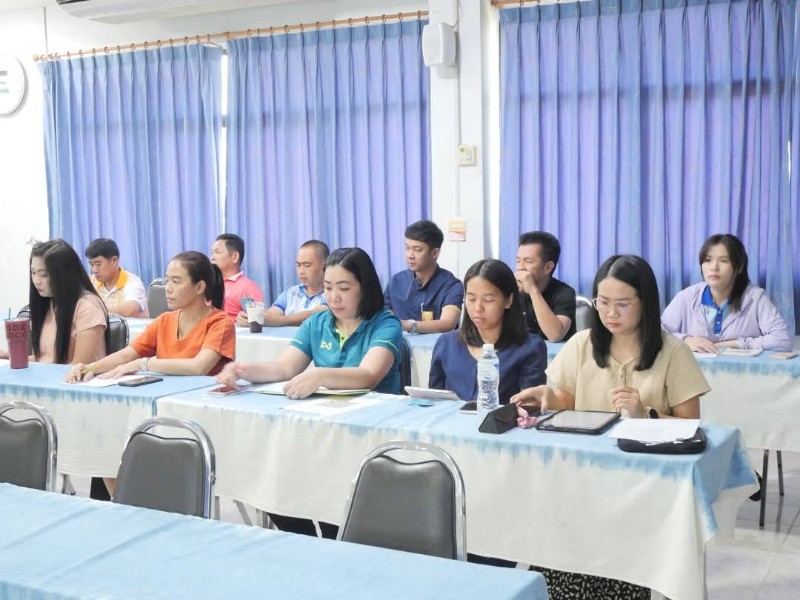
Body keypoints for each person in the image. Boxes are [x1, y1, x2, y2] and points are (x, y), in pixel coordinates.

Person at [513, 255, 710, 599]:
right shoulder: (582, 343)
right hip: (581, 479)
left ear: (645, 303)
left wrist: (644, 414)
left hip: (641, 486)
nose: (610, 313)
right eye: (602, 302)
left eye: (622, 304)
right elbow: (565, 399)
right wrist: (547, 396)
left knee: (619, 571)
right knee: (561, 564)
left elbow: (690, 425)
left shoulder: (673, 352)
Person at [216, 247, 403, 540]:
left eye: (344, 288)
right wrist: (243, 370)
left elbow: (369, 375)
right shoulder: (318, 322)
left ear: (365, 288)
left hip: (366, 433)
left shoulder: (385, 324)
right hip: (323, 428)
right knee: (277, 479)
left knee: (335, 512)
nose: (334, 297)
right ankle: (304, 539)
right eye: (328, 288)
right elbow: (284, 367)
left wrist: (320, 375)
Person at [67, 251, 235, 381]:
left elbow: (198, 367)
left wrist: (144, 364)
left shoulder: (220, 323)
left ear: (199, 287)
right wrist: (89, 368)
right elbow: (126, 355)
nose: (168, 288)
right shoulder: (165, 320)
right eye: (167, 280)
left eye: (176, 281)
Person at [429, 259, 547, 404]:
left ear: (508, 300)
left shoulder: (530, 347)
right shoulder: (446, 343)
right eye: (471, 299)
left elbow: (530, 406)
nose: (478, 308)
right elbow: (434, 400)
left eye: (488, 300)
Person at [661, 233, 792, 352]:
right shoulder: (687, 297)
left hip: (742, 370)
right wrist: (686, 340)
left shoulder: (756, 298)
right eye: (708, 260)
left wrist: (737, 343)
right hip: (694, 370)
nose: (714, 267)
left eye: (724, 261)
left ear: (739, 267)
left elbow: (782, 340)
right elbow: (658, 334)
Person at [0, 239, 108, 365]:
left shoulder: (88, 307)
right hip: (48, 375)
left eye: (44, 275)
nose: (36, 281)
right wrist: (9, 357)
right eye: (33, 272)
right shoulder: (47, 303)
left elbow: (79, 367)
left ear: (64, 275)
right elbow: (45, 359)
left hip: (73, 376)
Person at [383, 220, 463, 334]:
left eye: (417, 250)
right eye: (407, 248)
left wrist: (407, 325)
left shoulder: (451, 285)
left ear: (435, 253)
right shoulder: (396, 282)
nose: (410, 255)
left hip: (437, 345)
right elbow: (386, 317)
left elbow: (447, 323)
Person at [237, 240, 329, 327]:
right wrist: (250, 317)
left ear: (324, 266)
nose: (301, 271)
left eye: (307, 265)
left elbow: (317, 314)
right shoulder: (291, 292)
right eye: (298, 265)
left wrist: (279, 321)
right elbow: (272, 314)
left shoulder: (331, 293)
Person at [514, 231, 576, 342]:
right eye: (518, 261)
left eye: (528, 261)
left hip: (558, 352)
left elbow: (555, 335)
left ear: (548, 267)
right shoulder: (512, 291)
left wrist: (533, 290)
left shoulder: (565, 293)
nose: (520, 267)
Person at [84, 238, 148, 318]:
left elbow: (130, 311)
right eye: (91, 265)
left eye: (98, 264)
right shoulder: (90, 282)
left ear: (114, 260)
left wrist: (94, 311)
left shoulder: (132, 282)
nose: (94, 270)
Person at [210, 233, 264, 322]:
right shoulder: (208, 285)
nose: (212, 257)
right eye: (212, 253)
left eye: (217, 252)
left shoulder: (247, 287)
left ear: (234, 257)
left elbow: (256, 320)